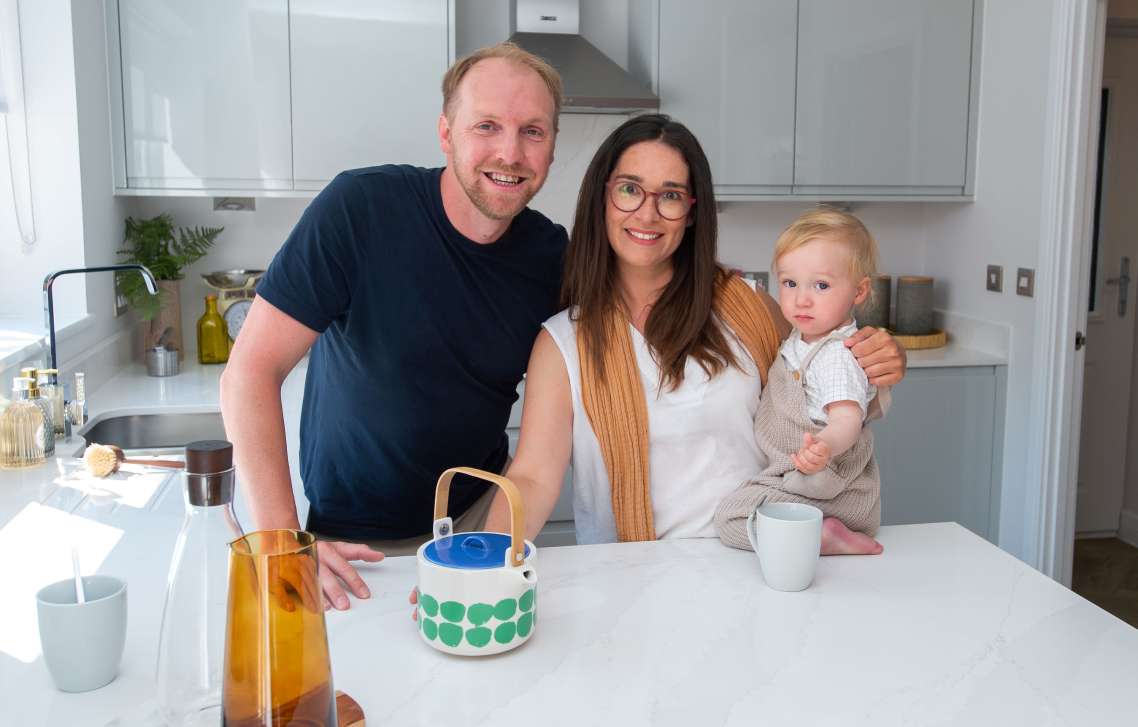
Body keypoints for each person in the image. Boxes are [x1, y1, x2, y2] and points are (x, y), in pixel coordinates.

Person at [220, 42, 567, 611]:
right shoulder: (359, 210)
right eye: (486, 125)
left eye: (533, 131)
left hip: (480, 520)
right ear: (445, 132)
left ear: (552, 147)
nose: (510, 151)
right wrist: (283, 542)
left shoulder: (553, 259)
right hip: (349, 541)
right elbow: (249, 374)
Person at [474, 115, 906, 548]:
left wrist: (877, 358)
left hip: (764, 561)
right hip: (634, 579)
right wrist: (479, 562)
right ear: (601, 199)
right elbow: (532, 477)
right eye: (629, 189)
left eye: (671, 196)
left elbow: (819, 400)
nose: (647, 212)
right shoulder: (562, 343)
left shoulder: (749, 306)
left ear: (692, 213)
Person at [714, 209, 888, 556]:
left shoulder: (836, 355)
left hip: (823, 478)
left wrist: (823, 447)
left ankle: (822, 538)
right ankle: (822, 531)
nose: (801, 299)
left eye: (821, 285)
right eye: (790, 283)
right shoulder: (803, 338)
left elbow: (848, 419)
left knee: (732, 519)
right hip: (801, 473)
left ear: (859, 291)